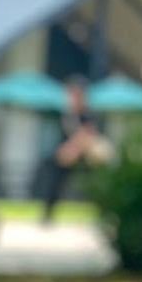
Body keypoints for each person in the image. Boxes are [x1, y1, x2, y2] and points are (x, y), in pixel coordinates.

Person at [42, 76, 101, 223]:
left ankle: (100, 209)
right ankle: (48, 212)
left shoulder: (89, 114)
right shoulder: (67, 114)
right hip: (67, 153)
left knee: (96, 180)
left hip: (85, 153)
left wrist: (73, 149)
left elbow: (89, 134)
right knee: (54, 175)